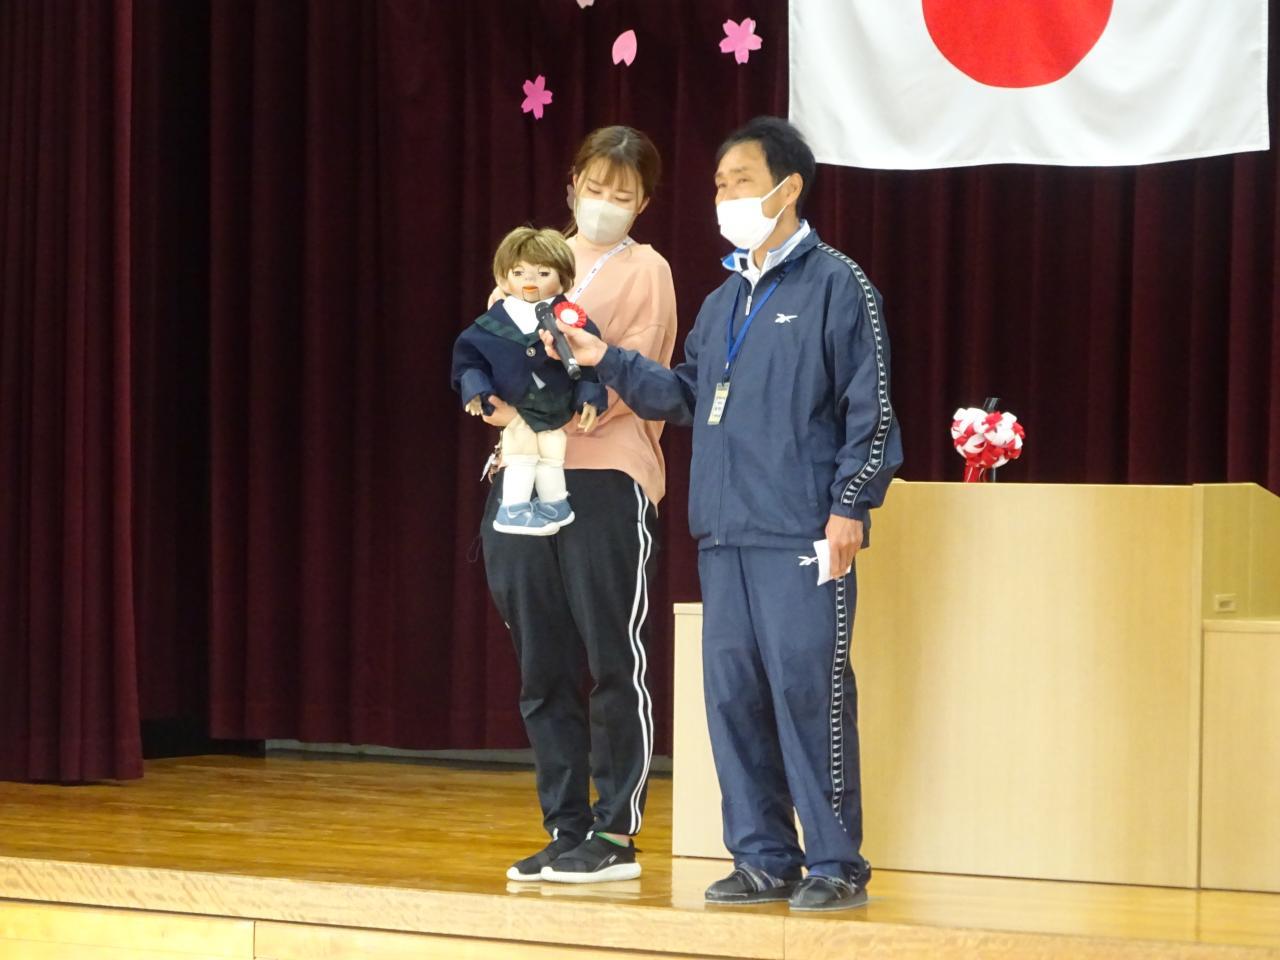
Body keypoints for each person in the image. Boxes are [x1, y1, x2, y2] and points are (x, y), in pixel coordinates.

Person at [546, 116, 903, 910]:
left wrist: (850, 505)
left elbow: (871, 409)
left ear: (788, 187)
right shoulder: (722, 300)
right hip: (723, 531)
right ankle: (763, 856)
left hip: (801, 531)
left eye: (740, 181)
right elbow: (684, 394)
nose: (724, 196)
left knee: (809, 693)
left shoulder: (838, 284)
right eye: (718, 185)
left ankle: (836, 862)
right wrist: (610, 360)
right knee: (734, 699)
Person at [478, 126, 677, 883]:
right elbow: (491, 345)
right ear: (572, 185)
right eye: (595, 188)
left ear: (643, 203)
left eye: (622, 194)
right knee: (543, 662)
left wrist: (559, 404)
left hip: (604, 475)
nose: (605, 203)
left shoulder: (646, 269)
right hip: (523, 471)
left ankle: (615, 832)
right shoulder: (535, 258)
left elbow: (638, 372)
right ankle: (564, 828)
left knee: (612, 657)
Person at [452, 227, 606, 535]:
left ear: (563, 279)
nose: (530, 280)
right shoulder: (490, 324)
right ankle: (514, 508)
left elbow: (591, 366)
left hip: (555, 406)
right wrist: (476, 391)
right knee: (522, 449)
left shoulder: (571, 320)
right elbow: (469, 362)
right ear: (503, 278)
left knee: (552, 447)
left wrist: (590, 397)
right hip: (514, 407)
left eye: (543, 272)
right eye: (519, 272)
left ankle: (555, 503)